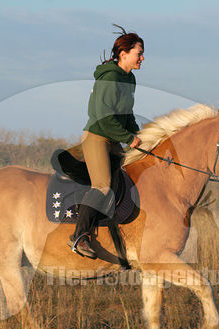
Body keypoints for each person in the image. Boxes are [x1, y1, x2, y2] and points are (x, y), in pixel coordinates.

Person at [68, 25, 144, 259]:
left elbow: (127, 115)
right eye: (138, 53)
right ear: (124, 54)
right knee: (102, 186)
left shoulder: (129, 79)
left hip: (114, 139)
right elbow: (104, 116)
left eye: (142, 53)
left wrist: (142, 138)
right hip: (98, 137)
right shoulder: (110, 76)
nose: (142, 57)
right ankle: (79, 237)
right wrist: (129, 138)